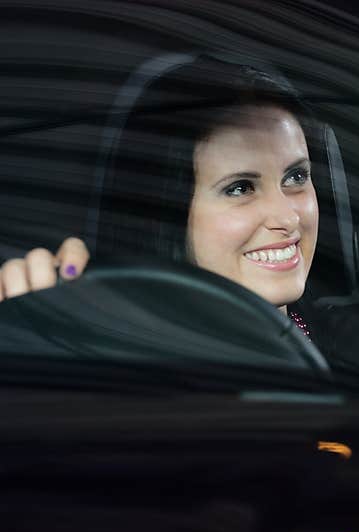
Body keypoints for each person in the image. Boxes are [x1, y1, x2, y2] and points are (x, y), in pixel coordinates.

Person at [0, 56, 320, 335]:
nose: (288, 218)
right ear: (168, 211)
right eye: (240, 188)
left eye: (295, 177)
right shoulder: (119, 367)